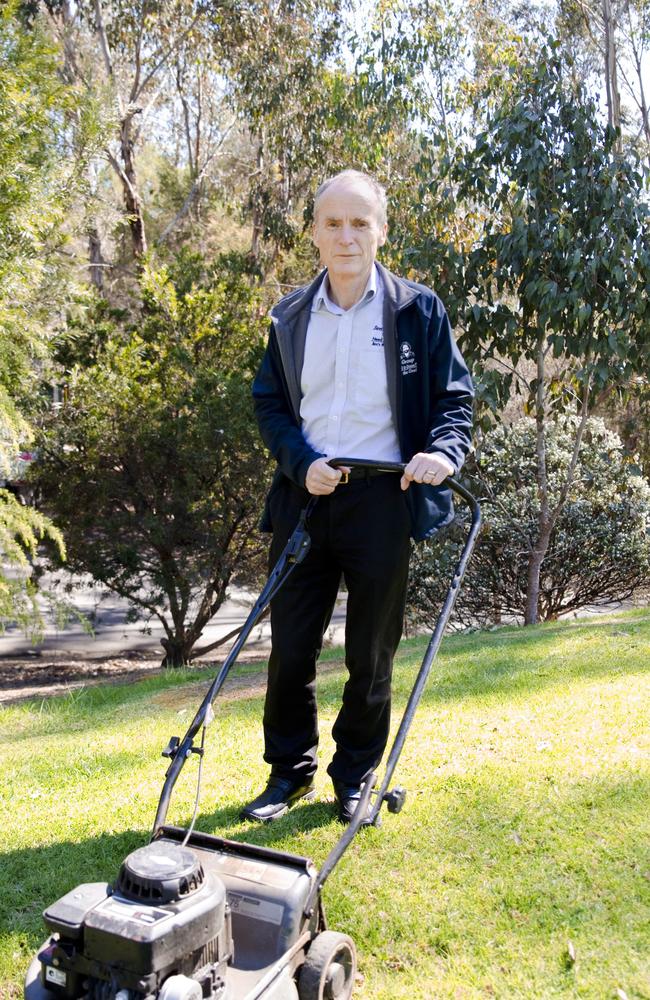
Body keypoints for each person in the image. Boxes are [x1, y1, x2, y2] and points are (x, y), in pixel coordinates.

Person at [242, 169, 473, 824]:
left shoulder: (416, 310)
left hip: (382, 498)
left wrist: (443, 453)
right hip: (304, 498)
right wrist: (300, 461)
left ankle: (356, 776)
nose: (346, 236)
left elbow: (453, 401)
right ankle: (288, 774)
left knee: (371, 650)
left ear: (381, 230)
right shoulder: (289, 315)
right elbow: (269, 404)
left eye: (359, 223)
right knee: (289, 646)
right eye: (333, 223)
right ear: (314, 232)